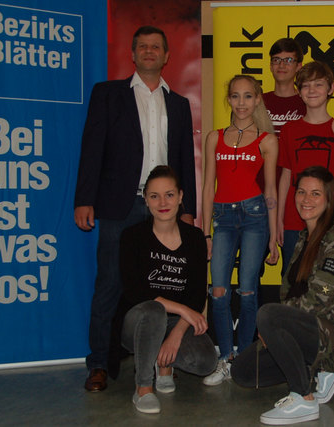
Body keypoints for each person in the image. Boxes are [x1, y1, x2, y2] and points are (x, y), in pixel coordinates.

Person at [74, 25, 196, 392]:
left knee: (166, 284)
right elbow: (91, 148)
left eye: (156, 46)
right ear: (132, 54)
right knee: (110, 283)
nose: (149, 51)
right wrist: (85, 198)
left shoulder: (178, 103)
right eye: (142, 46)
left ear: (166, 55)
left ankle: (162, 364)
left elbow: (184, 161)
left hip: (166, 208)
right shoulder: (108, 94)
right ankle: (98, 364)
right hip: (119, 204)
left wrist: (186, 207)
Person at [231, 166, 334, 425]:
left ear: (329, 199)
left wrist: (276, 322)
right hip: (316, 330)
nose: (306, 200)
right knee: (244, 372)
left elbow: (320, 297)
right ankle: (316, 370)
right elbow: (291, 295)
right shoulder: (304, 238)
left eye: (316, 194)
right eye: (302, 192)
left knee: (269, 313)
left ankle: (303, 398)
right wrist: (275, 330)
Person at [112, 166, 217, 414]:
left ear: (181, 197)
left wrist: (177, 333)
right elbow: (136, 292)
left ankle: (165, 367)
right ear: (146, 200)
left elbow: (195, 293)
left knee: (205, 361)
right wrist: (184, 311)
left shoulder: (194, 239)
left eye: (169, 195)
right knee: (154, 310)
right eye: (154, 196)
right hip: (137, 323)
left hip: (174, 322)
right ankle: (144, 387)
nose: (162, 203)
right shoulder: (132, 236)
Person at [201, 75, 280, 386]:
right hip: (221, 217)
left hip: (255, 215)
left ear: (258, 99)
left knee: (248, 290)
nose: (242, 103)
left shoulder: (267, 140)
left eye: (248, 96)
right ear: (229, 100)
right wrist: (204, 233)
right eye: (236, 96)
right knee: (218, 291)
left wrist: (274, 237)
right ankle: (224, 357)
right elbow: (208, 186)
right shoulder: (214, 137)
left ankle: (243, 358)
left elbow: (271, 189)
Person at [277, 61, 334, 277]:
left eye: (318, 84)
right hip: (294, 222)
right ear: (299, 91)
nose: (312, 90)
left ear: (330, 89)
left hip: (329, 222)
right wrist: (278, 219)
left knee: (326, 284)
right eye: (306, 85)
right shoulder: (289, 130)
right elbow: (285, 177)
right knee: (293, 281)